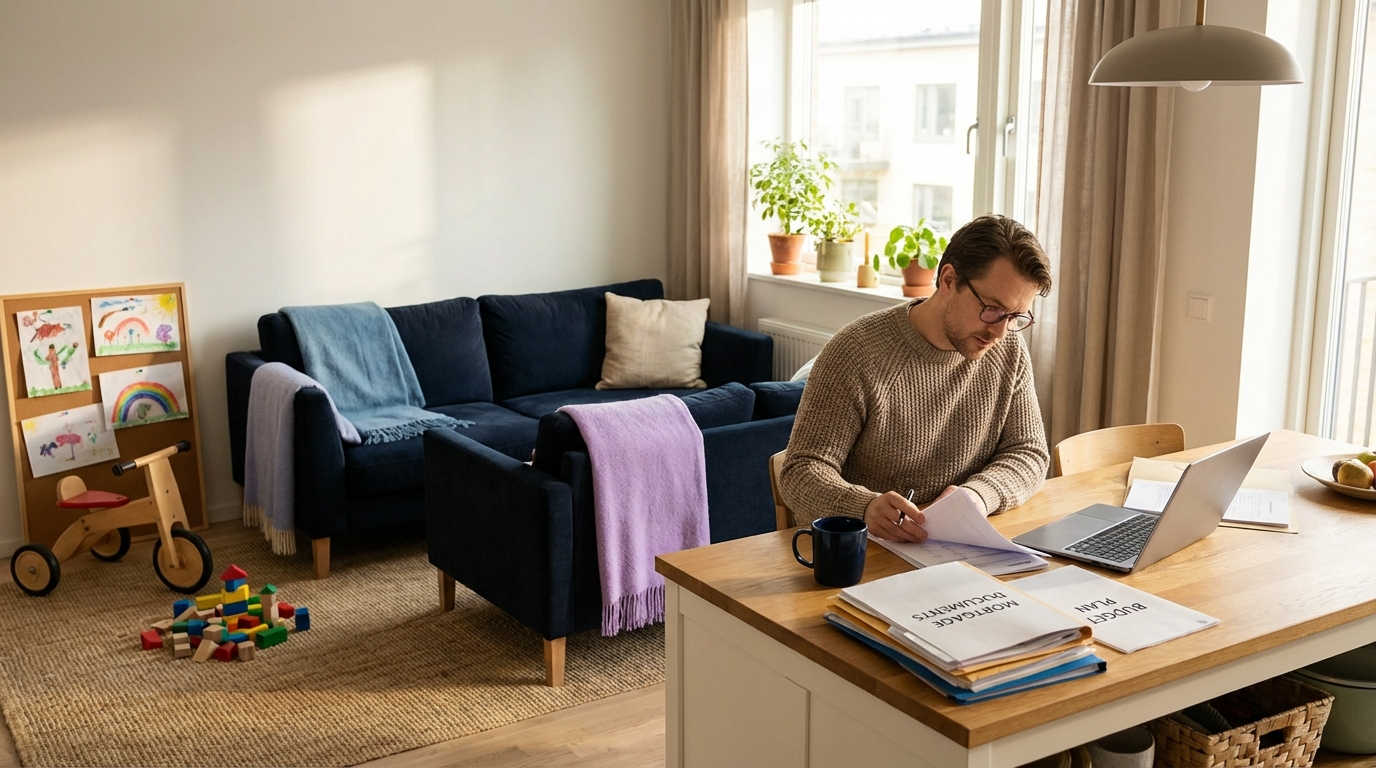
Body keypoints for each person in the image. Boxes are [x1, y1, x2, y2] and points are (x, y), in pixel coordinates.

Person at [779, 213, 1053, 542]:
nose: (999, 331)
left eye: (1015, 316)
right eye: (992, 309)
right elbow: (800, 472)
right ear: (949, 280)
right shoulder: (856, 352)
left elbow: (1029, 452)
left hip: (955, 547)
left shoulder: (1008, 349)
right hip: (867, 552)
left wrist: (977, 497)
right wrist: (864, 508)